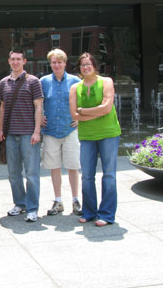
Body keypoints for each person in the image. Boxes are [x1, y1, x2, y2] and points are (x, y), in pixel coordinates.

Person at [69, 52, 121, 227]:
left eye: (88, 64)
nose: (86, 67)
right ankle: (89, 212)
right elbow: (73, 114)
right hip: (87, 136)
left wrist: (84, 111)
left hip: (109, 133)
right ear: (79, 68)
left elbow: (107, 108)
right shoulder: (75, 88)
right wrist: (94, 112)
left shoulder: (106, 82)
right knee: (87, 176)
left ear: (95, 65)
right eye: (82, 64)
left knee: (109, 175)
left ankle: (106, 214)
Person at [0, 48, 44, 222]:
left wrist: (37, 131)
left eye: (19, 59)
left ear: (24, 61)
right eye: (13, 59)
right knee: (13, 173)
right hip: (10, 135)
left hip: (28, 134)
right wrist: (1, 129)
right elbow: (2, 107)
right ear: (9, 61)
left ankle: (32, 208)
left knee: (32, 174)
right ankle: (19, 203)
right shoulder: (3, 83)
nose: (15, 62)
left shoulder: (33, 81)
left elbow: (38, 107)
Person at [40, 49, 82, 216]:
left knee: (73, 166)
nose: (56, 65)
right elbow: (37, 102)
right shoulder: (43, 81)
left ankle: (75, 200)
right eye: (53, 62)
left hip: (70, 129)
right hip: (50, 131)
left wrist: (80, 117)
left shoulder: (75, 81)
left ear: (65, 63)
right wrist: (40, 116)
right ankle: (58, 200)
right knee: (54, 166)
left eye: (59, 62)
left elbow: (83, 102)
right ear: (50, 64)